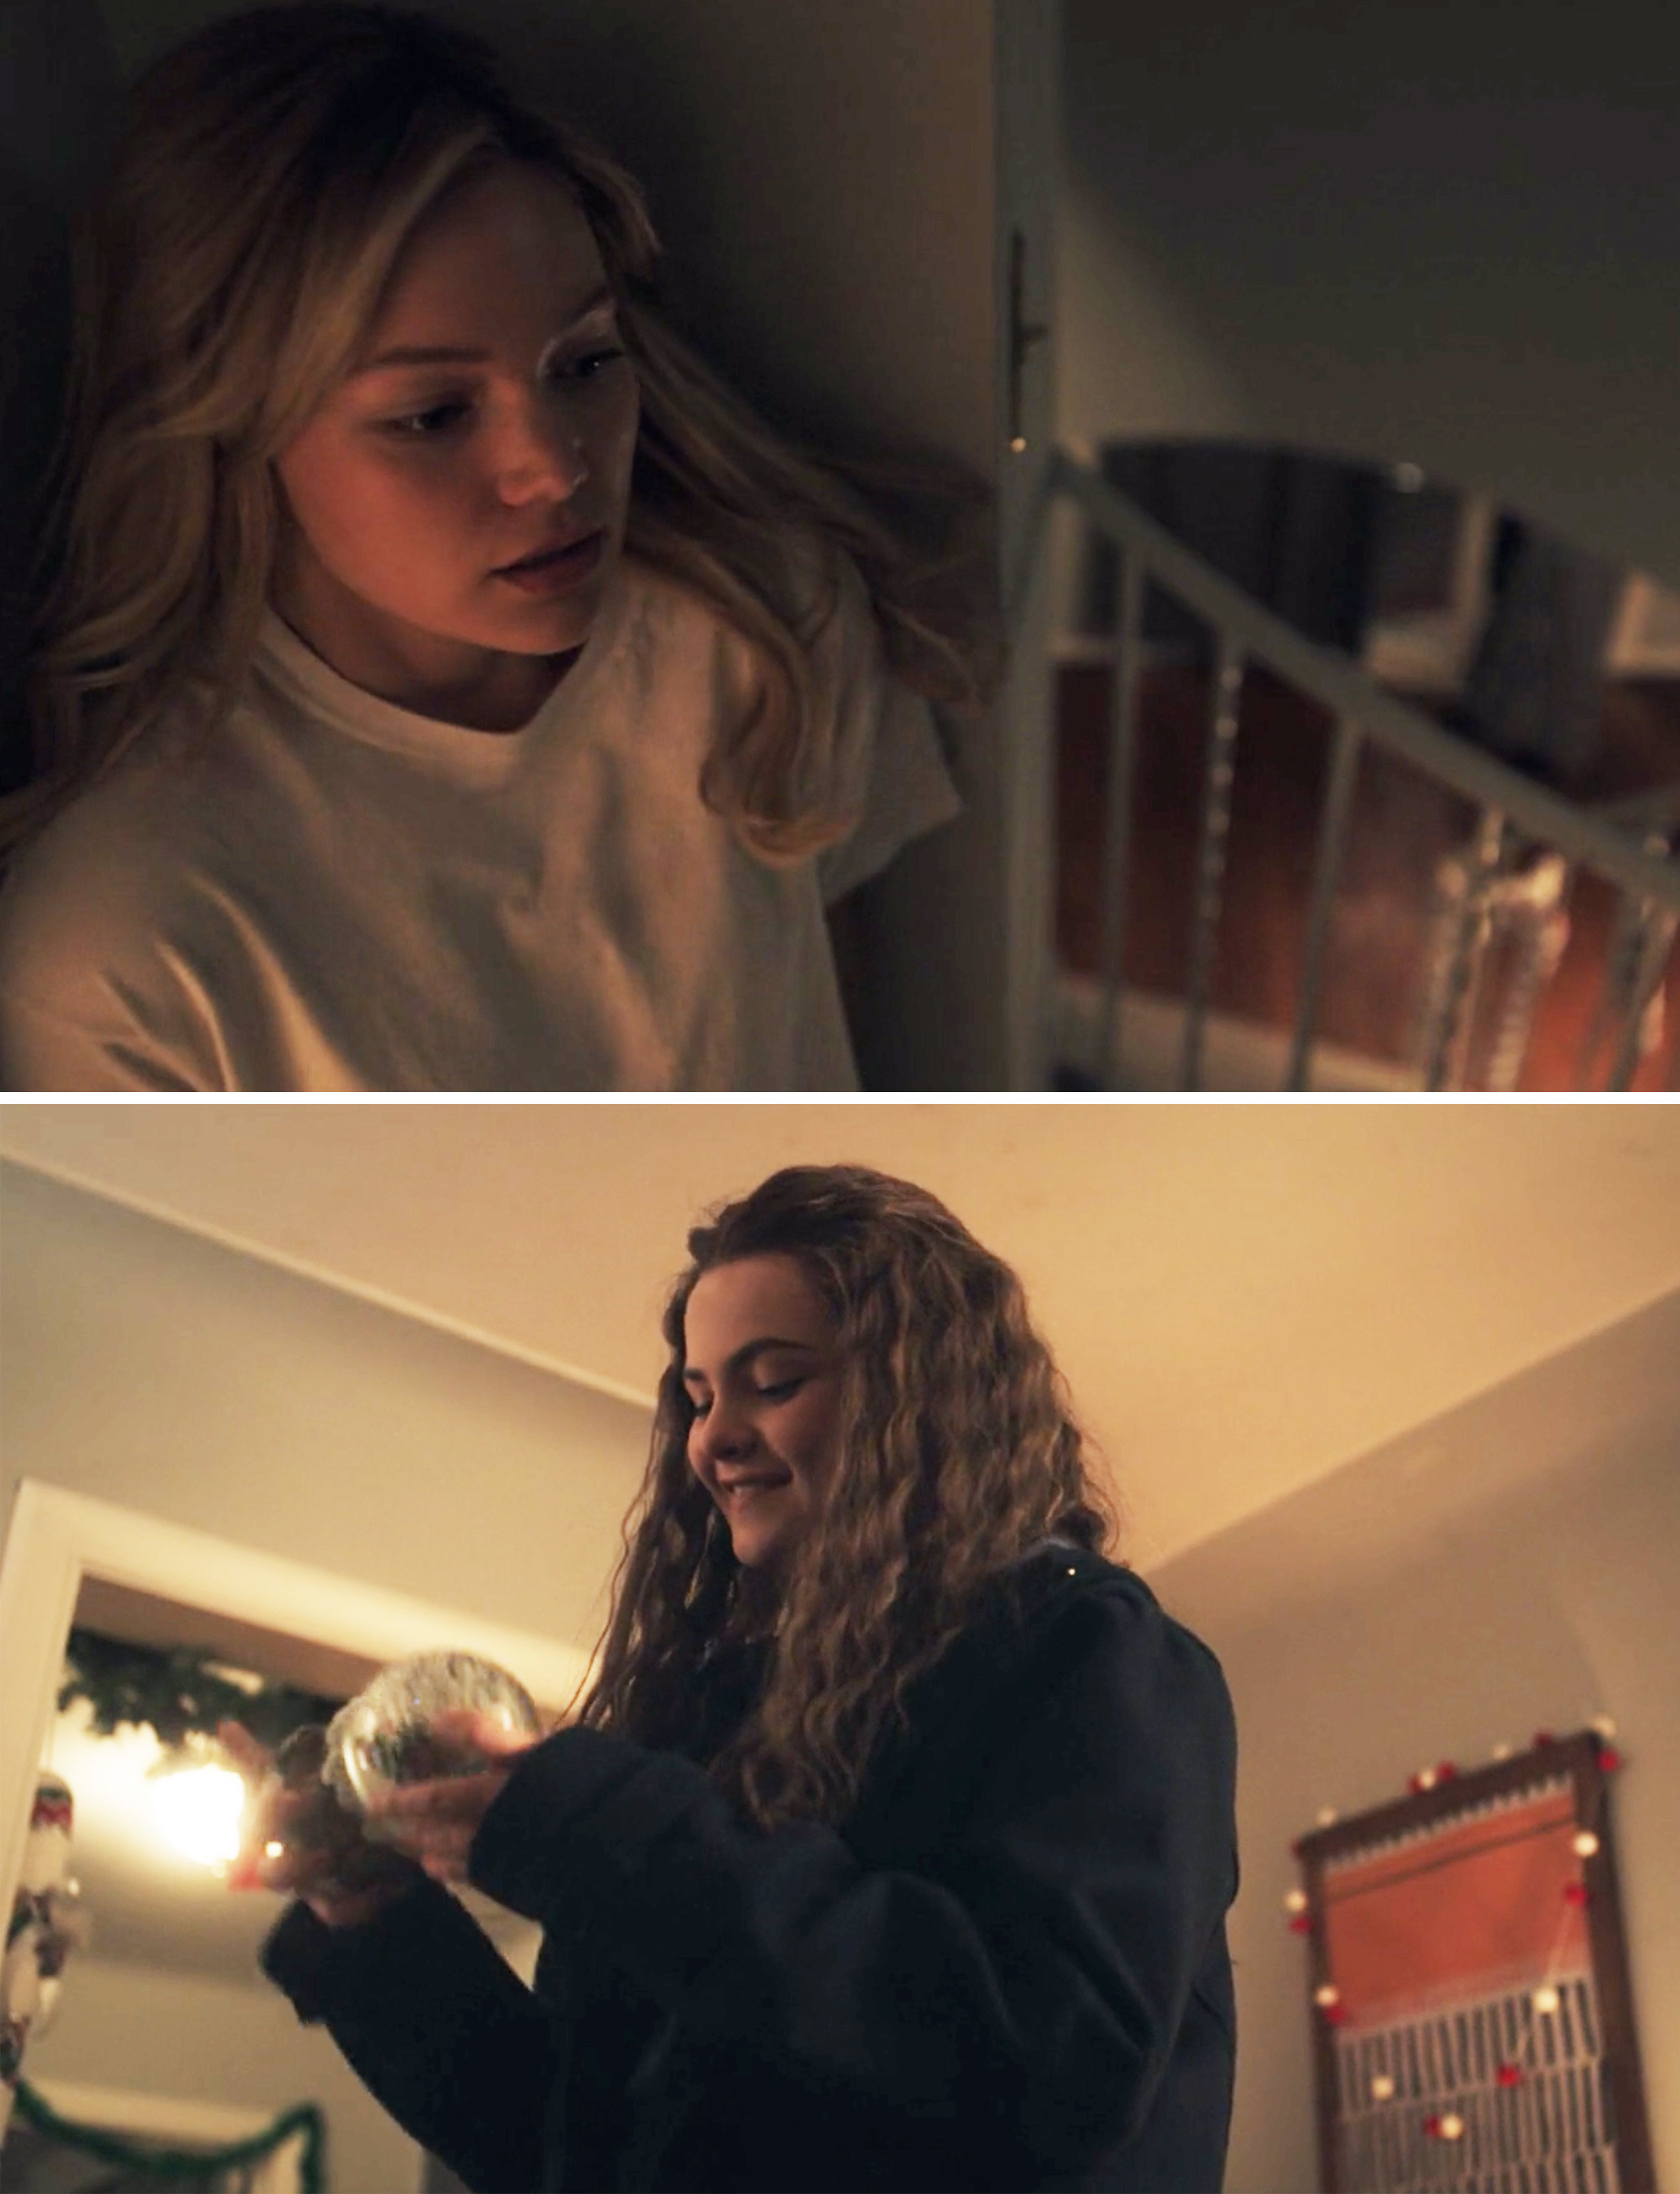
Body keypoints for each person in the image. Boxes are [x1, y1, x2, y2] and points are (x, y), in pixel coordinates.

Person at [0, 3, 1002, 1091]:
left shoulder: (754, 636)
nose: (557, 471)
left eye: (581, 363)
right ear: (235, 424)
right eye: (432, 415)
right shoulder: (125, 942)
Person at [219, 1164, 1239, 2194]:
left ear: (924, 1399)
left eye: (775, 1380)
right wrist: (376, 1918)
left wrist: (594, 1824)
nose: (713, 1439)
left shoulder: (1087, 1653)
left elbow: (1057, 2068)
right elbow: (575, 2151)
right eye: (699, 1396)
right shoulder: (717, 1716)